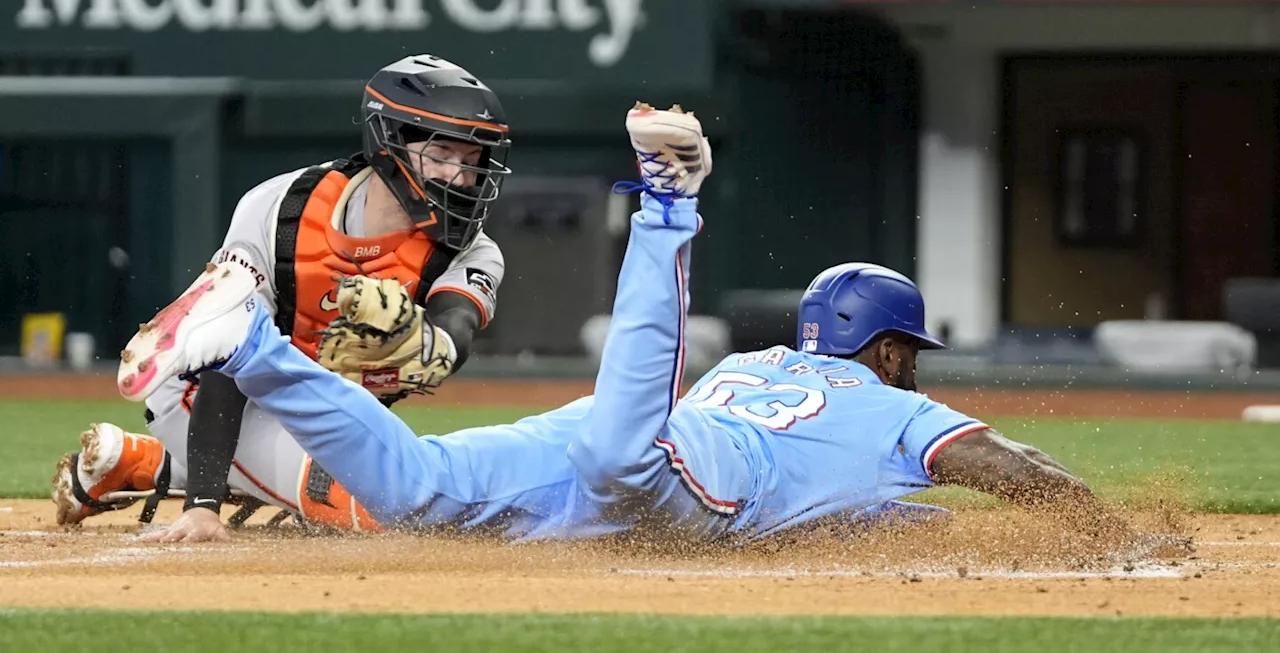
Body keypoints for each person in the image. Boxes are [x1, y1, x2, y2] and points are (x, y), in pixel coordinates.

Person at [114, 103, 1149, 547]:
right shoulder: (888, 409)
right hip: (665, 470)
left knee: (416, 491)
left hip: (601, 462)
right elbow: (1011, 468)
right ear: (885, 350)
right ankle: (667, 201)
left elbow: (832, 498)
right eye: (907, 354)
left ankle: (248, 341)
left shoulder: (757, 363)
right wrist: (1115, 533)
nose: (910, 370)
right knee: (623, 446)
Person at [53, 54, 512, 542]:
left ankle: (137, 464)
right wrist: (203, 507)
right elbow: (227, 355)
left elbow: (456, 322)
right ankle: (181, 466)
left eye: (472, 161)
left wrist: (432, 347)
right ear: (389, 142)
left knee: (415, 489)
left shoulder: (473, 250)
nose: (461, 177)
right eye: (442, 153)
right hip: (201, 392)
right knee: (386, 513)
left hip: (317, 412)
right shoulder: (281, 209)